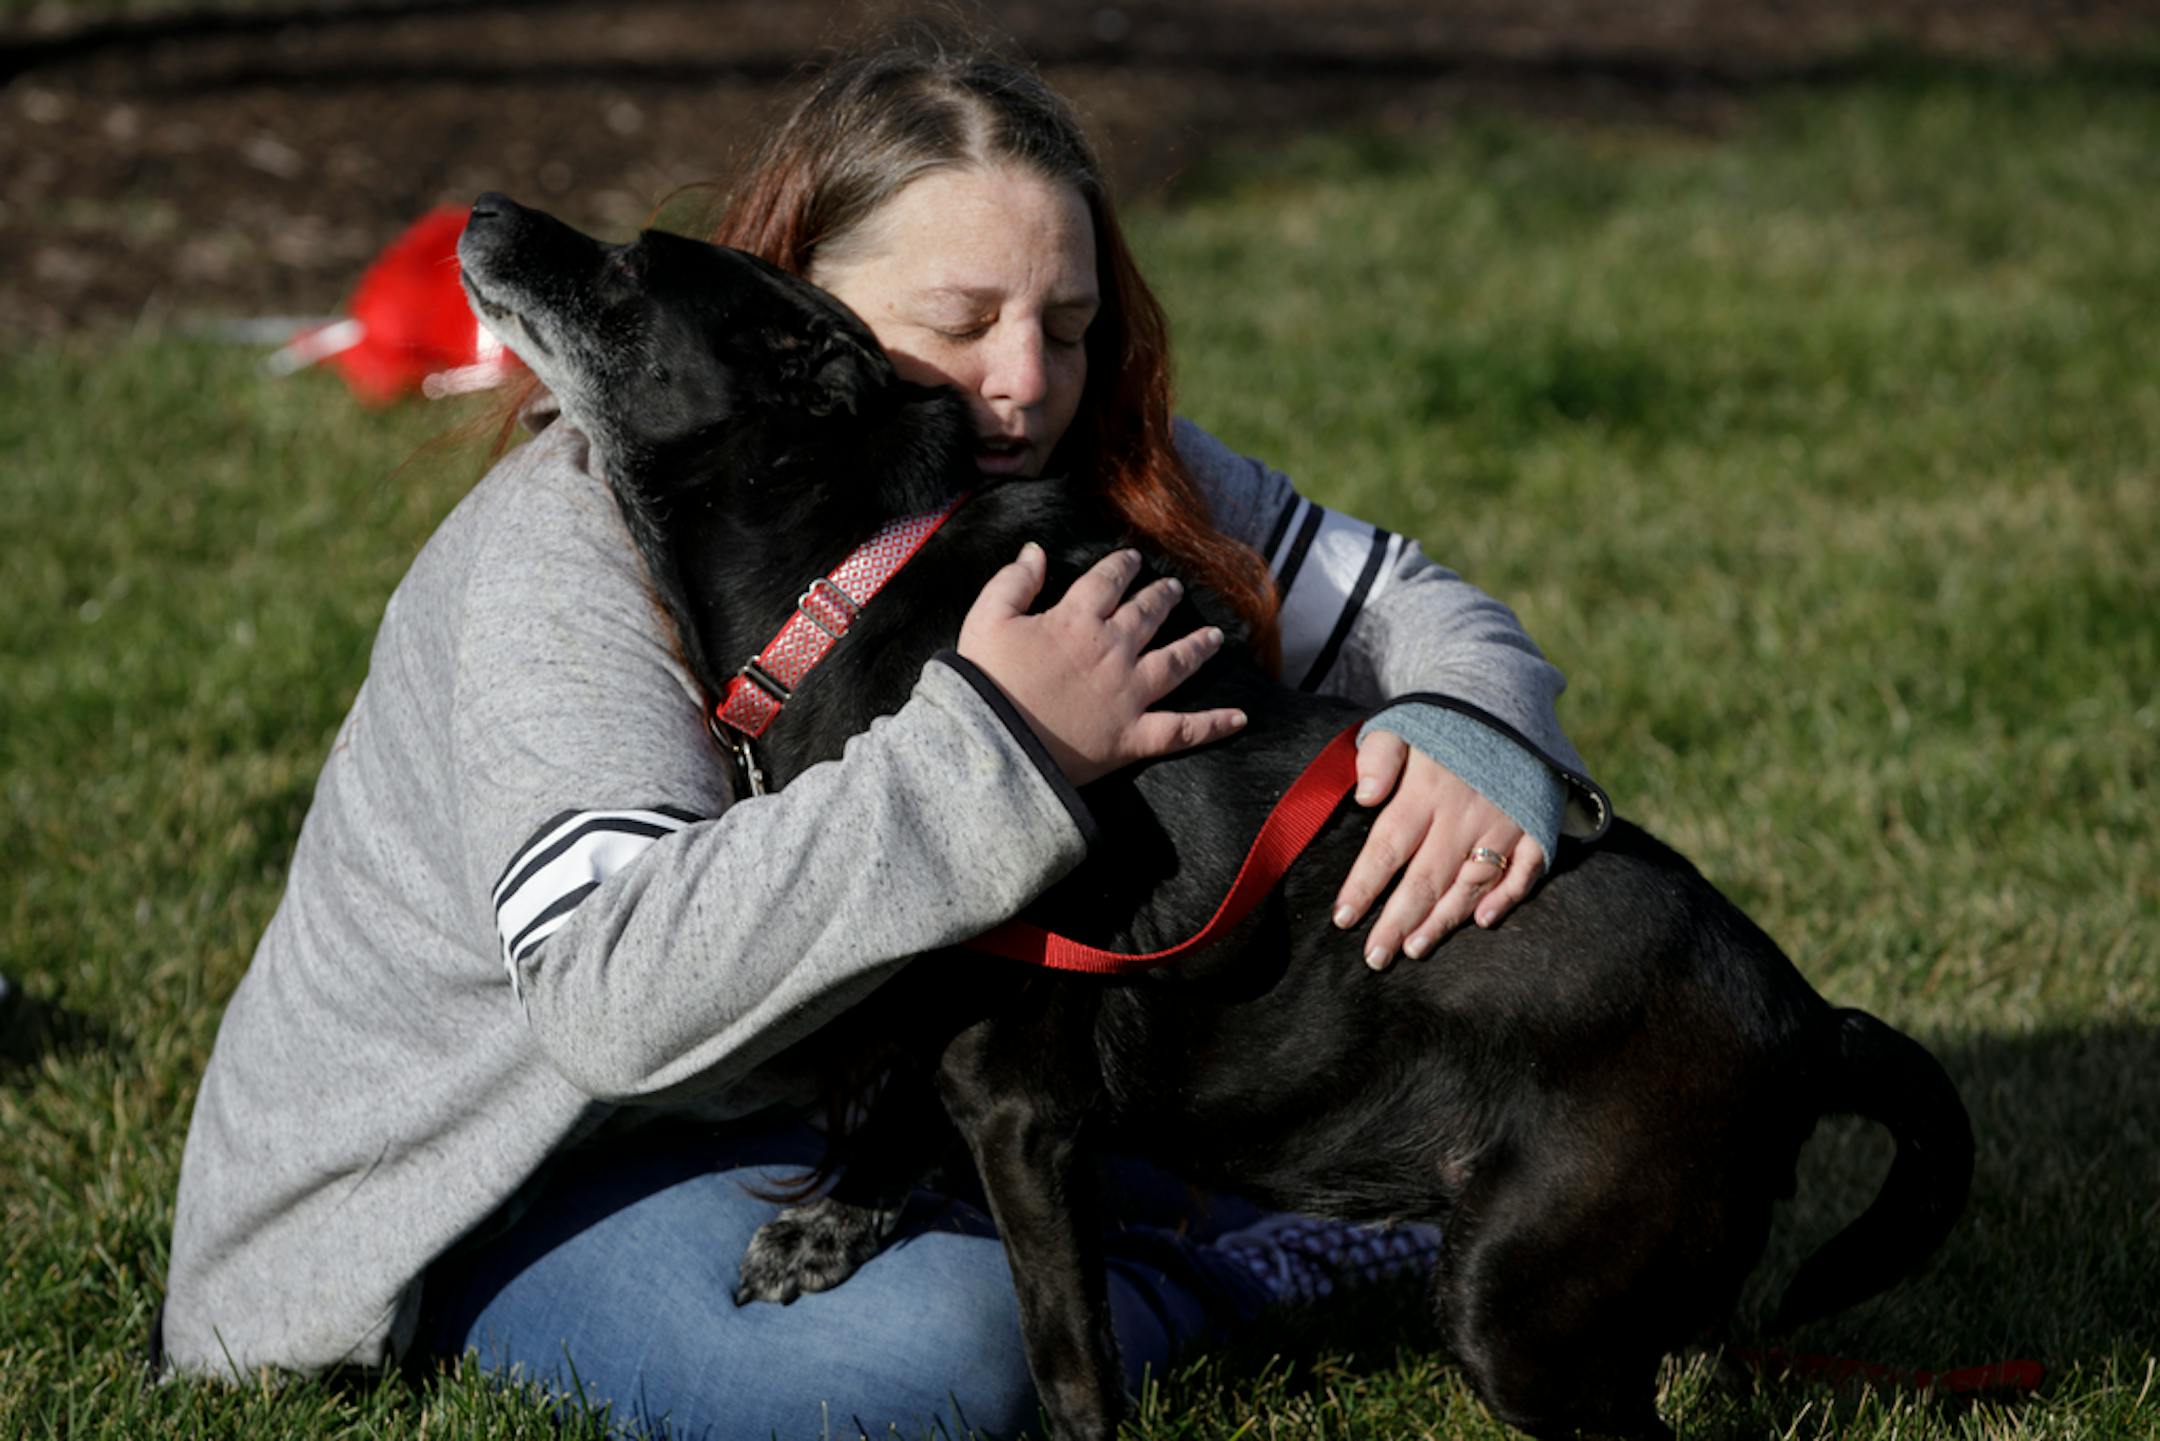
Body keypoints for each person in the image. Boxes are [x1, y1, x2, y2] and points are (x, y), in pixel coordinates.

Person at [161, 31, 1608, 1440]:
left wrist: (1473, 731)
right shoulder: (572, 550)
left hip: (851, 1110)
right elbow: (611, 1007)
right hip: (507, 1170)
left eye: (1072, 323)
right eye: (961, 323)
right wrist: (1007, 744)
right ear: (799, 311)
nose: (1026, 381)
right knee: (920, 1367)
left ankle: (1190, 1207)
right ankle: (1249, 1255)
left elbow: (1410, 602)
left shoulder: (1031, 454)